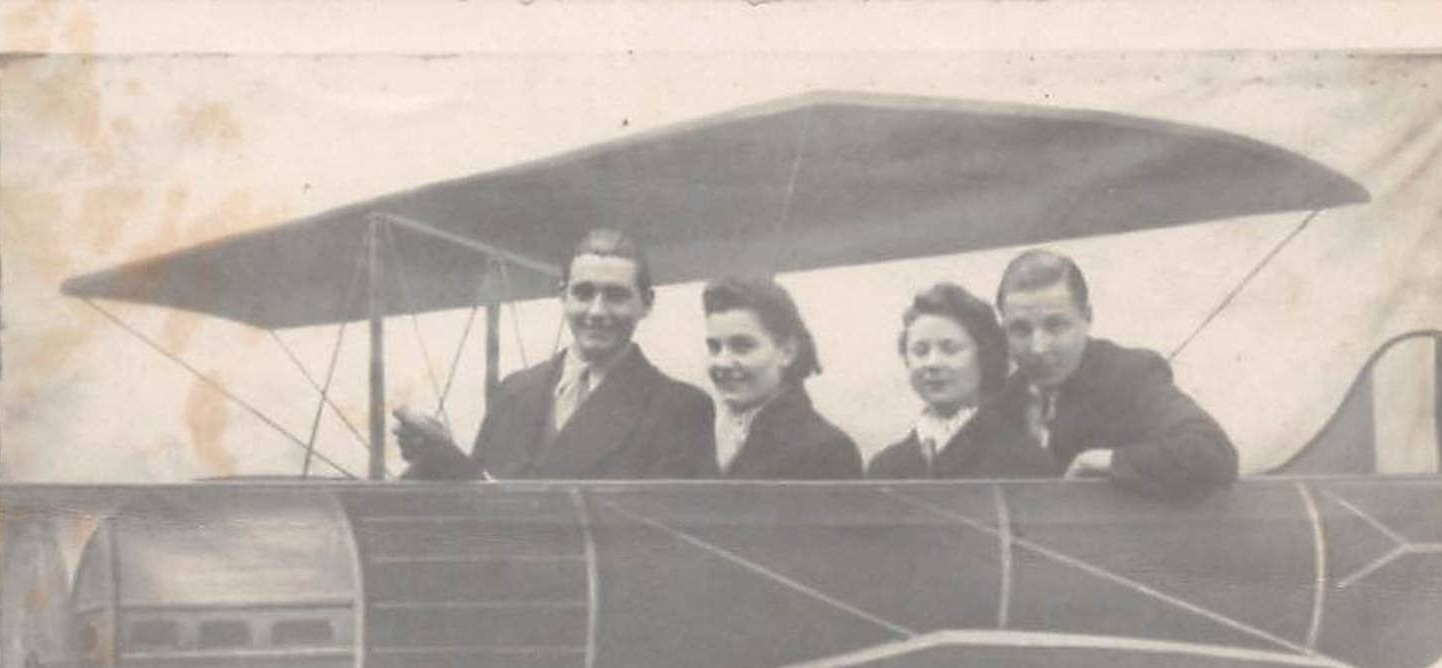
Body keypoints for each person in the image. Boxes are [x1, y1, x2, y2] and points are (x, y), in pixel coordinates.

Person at [396, 228, 716, 480]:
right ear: (562, 295)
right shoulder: (513, 392)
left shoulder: (680, 410)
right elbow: (478, 505)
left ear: (646, 303)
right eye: (583, 293)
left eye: (616, 296)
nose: (597, 311)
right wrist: (441, 460)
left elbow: (672, 539)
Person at [993, 248, 1239, 501]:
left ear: (1087, 318)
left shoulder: (1130, 375)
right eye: (1021, 330)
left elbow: (1214, 452)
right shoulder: (1002, 399)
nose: (1038, 347)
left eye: (1056, 326)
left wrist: (1107, 461)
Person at [867, 283, 1057, 479]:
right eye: (921, 351)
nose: (933, 363)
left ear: (984, 357)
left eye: (950, 349)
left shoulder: (1024, 461)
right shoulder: (885, 467)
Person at [701, 276, 862, 480]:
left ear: (787, 351)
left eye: (742, 346)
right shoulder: (705, 436)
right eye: (714, 347)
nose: (722, 362)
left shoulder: (826, 450)